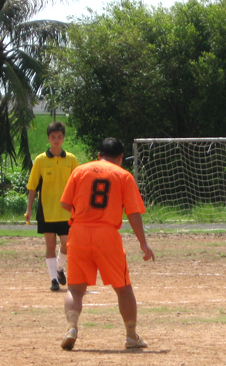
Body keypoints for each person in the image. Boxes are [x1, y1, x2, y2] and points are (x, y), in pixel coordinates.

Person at [59, 137, 155, 351]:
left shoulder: (80, 171)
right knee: (123, 287)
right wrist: (143, 243)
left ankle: (72, 327)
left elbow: (65, 203)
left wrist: (82, 212)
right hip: (107, 234)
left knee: (75, 288)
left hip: (79, 232)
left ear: (98, 155)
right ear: (120, 157)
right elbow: (133, 213)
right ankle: (131, 335)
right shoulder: (124, 175)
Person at [25, 121, 79, 291]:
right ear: (48, 138)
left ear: (63, 138)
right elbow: (33, 186)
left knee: (66, 244)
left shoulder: (71, 159)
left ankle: (59, 267)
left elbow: (79, 185)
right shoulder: (40, 160)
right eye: (53, 137)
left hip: (66, 211)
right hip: (46, 210)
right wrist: (29, 208)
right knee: (50, 246)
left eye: (59, 137)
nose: (56, 140)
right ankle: (53, 280)